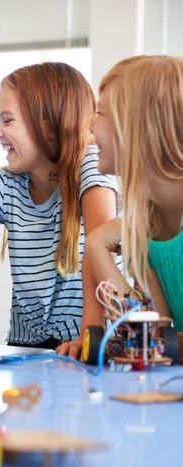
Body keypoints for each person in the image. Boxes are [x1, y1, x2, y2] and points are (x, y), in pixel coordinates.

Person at [0, 62, 120, 357]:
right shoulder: (4, 183)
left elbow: (100, 251)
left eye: (7, 120)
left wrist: (90, 336)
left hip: (93, 339)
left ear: (49, 126)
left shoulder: (91, 165)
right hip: (26, 348)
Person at [85, 55, 183, 354]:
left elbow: (158, 346)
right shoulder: (146, 223)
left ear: (138, 127)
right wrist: (95, 244)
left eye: (100, 113)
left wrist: (151, 344)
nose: (90, 126)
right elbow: (157, 334)